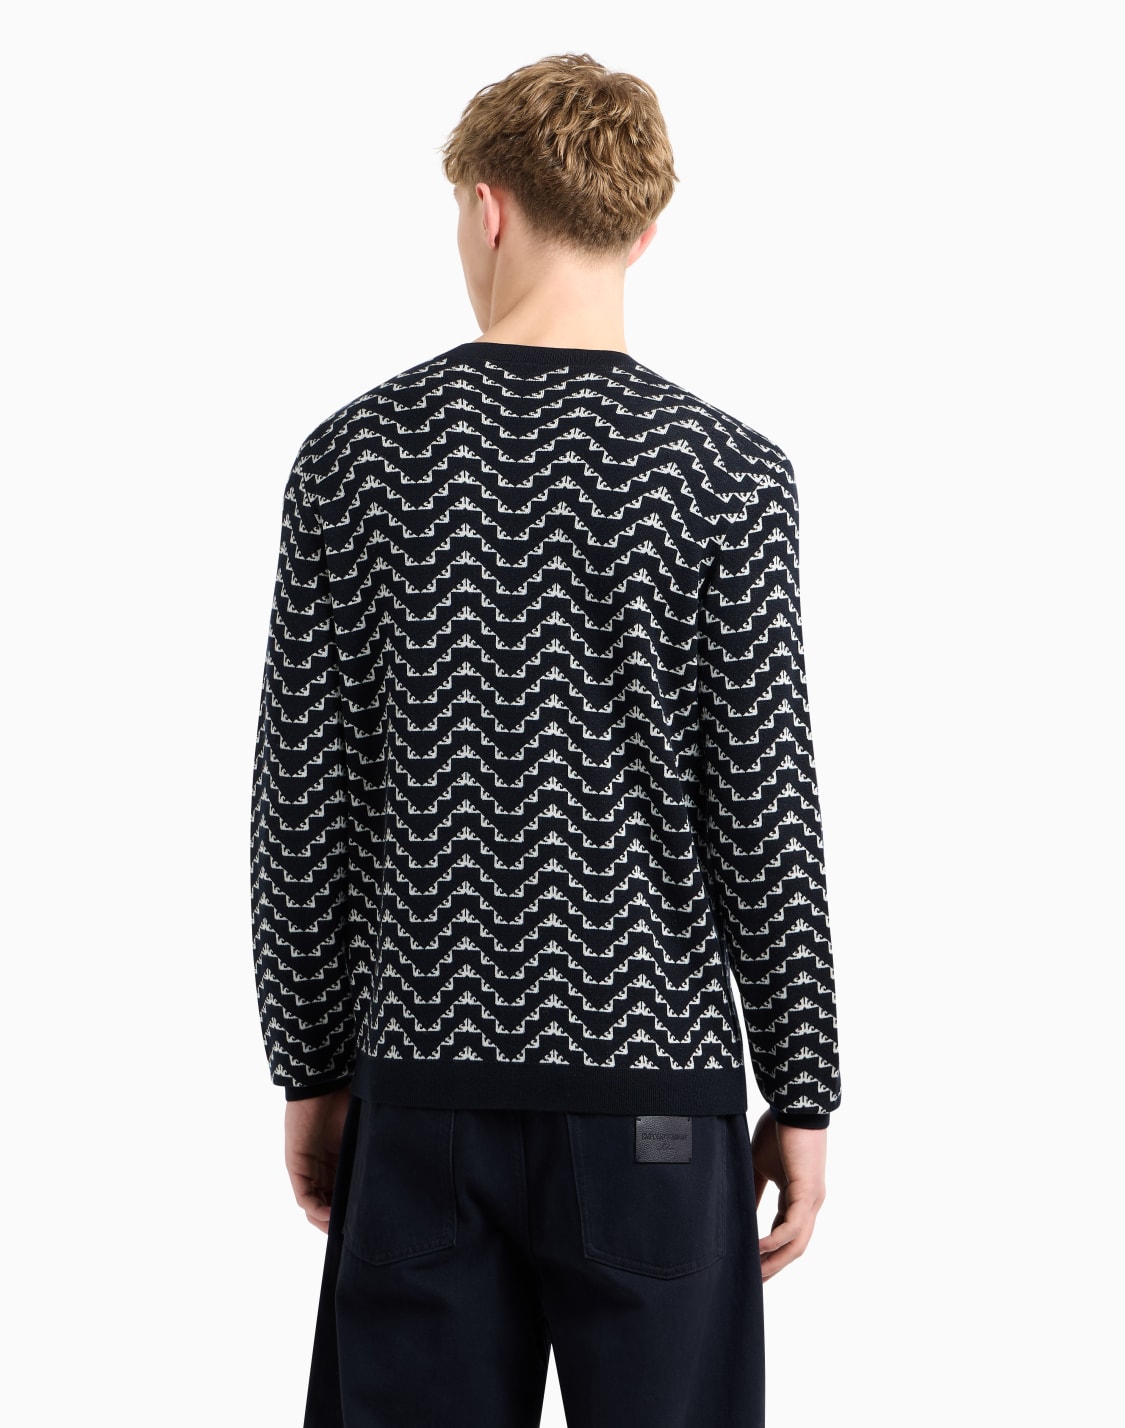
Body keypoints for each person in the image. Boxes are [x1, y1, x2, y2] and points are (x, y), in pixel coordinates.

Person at [250, 51, 842, 1428]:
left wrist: (312, 1068)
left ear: (487, 207)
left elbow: (302, 808)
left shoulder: (355, 458)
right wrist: (803, 1088)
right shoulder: (726, 476)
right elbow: (764, 805)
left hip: (421, 1092)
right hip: (657, 1097)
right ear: (645, 230)